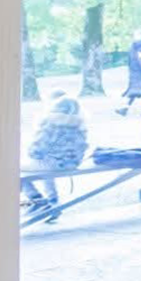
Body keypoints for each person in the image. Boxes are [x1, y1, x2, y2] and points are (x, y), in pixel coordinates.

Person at [23, 91, 86, 223]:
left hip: (52, 164)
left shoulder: (50, 123)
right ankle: (53, 201)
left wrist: (34, 155)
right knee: (45, 169)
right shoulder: (79, 124)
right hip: (72, 163)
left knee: (15, 171)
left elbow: (37, 149)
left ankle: (37, 200)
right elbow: (82, 146)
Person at [117, 30, 141, 116]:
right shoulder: (132, 47)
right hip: (134, 72)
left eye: (138, 35)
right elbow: (130, 60)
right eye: (135, 35)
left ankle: (125, 109)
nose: (136, 37)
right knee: (139, 91)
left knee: (138, 90)